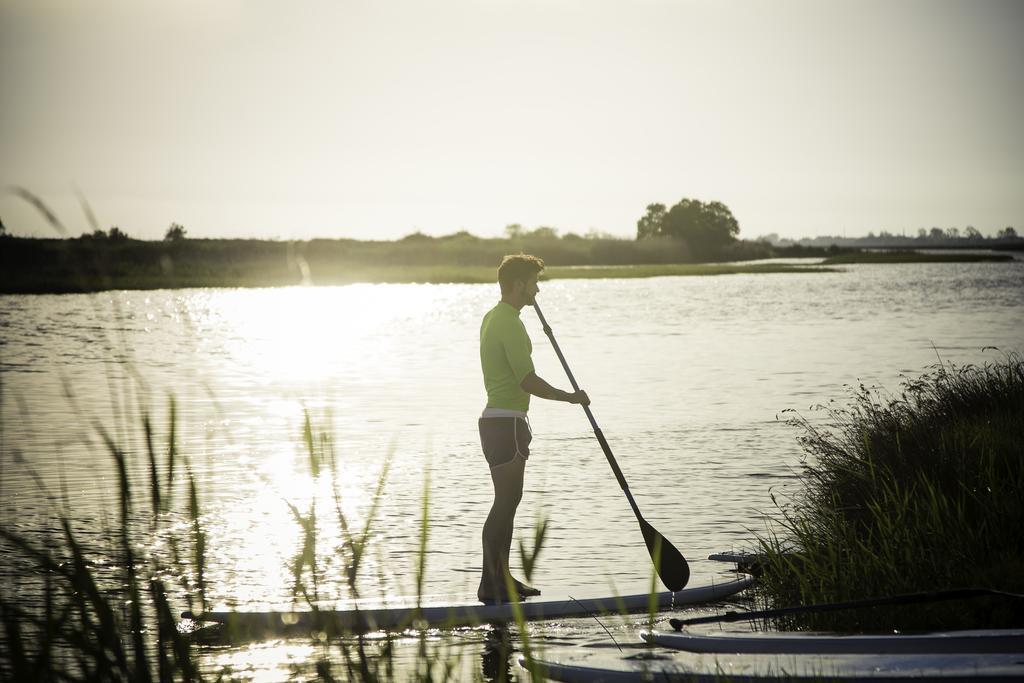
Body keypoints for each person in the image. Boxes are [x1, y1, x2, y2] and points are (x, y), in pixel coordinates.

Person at [477, 254, 589, 604]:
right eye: (534, 283)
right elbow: (526, 381)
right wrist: (570, 398)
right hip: (505, 422)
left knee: (508, 501)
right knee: (505, 501)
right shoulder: (508, 322)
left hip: (503, 421)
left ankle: (501, 579)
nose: (537, 290)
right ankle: (490, 582)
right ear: (519, 284)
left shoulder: (493, 317)